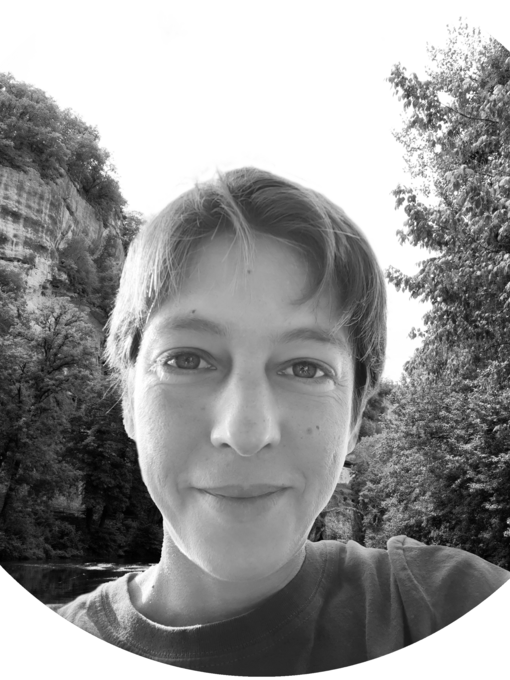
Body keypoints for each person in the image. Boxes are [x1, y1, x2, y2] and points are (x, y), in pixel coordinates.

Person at [51, 167, 509, 675]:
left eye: (305, 368)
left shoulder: (445, 608)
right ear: (129, 400)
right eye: (187, 360)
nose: (245, 433)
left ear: (355, 416)